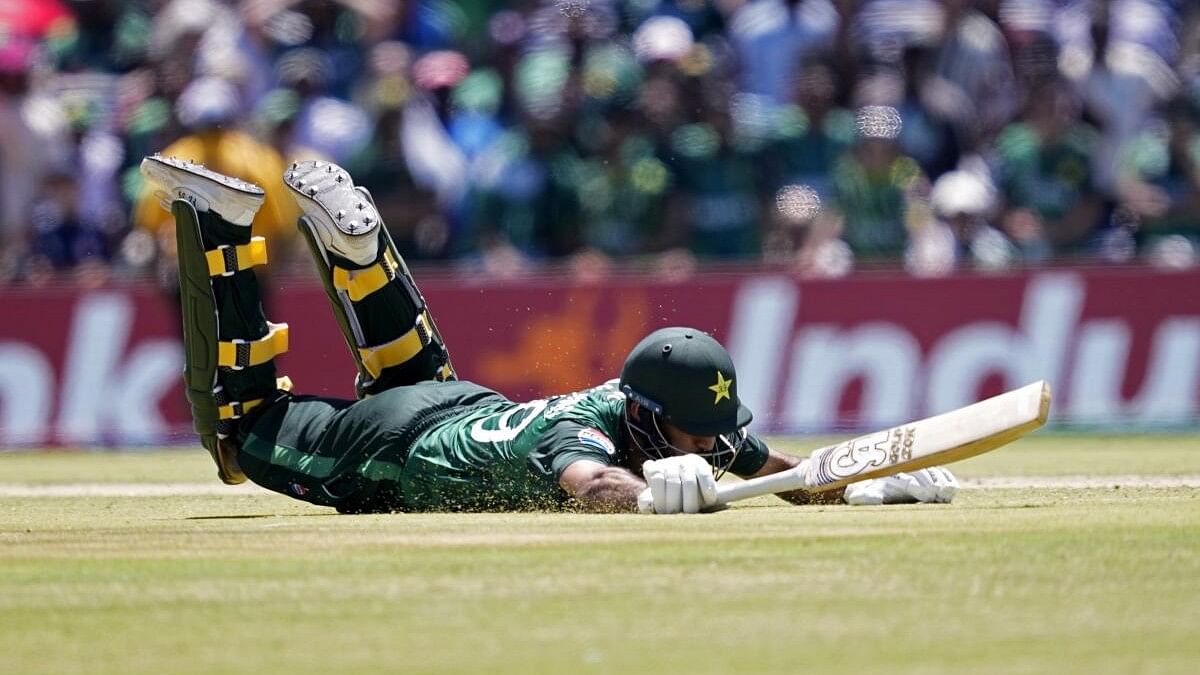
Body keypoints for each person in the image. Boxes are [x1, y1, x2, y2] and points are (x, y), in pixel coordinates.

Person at [139, 154, 959, 514]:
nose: (709, 443)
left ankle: (360, 252)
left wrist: (859, 482)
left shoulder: (669, 408)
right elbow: (590, 483)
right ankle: (218, 220)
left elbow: (770, 466)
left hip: (453, 405)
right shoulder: (585, 428)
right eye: (695, 434)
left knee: (401, 369)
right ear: (641, 415)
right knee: (240, 432)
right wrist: (650, 496)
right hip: (386, 455)